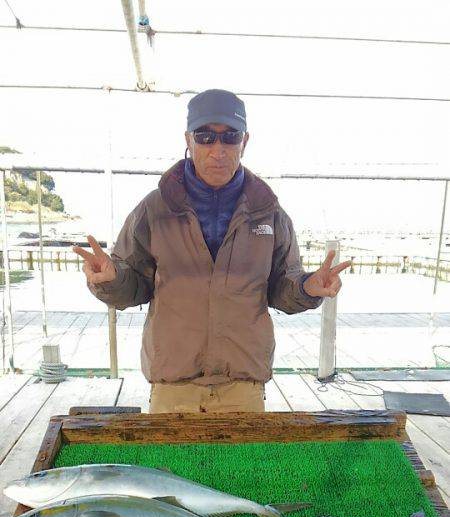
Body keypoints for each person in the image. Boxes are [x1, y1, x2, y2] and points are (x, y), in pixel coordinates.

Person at [74, 89, 350, 413]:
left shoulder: (270, 213)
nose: (217, 149)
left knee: (240, 466)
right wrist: (110, 280)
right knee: (167, 466)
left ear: (244, 141)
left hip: (243, 384)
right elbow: (133, 286)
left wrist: (307, 287)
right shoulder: (153, 210)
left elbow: (281, 287)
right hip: (172, 383)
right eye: (205, 136)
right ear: (188, 140)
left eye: (229, 137)